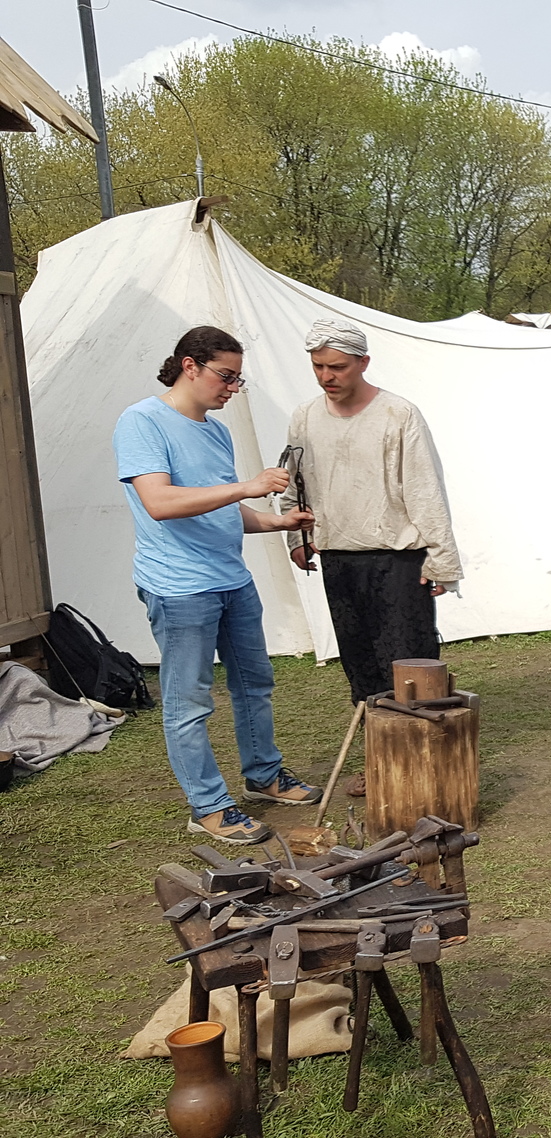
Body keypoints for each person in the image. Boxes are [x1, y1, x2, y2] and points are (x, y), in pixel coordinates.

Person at [113, 326, 321, 844]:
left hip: (232, 579)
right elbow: (160, 503)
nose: (232, 388)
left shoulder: (213, 429)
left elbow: (220, 504)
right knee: (189, 701)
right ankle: (207, 805)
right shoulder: (141, 422)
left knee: (256, 684)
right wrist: (248, 485)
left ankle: (263, 775)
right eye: (225, 377)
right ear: (190, 366)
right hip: (180, 588)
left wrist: (276, 522)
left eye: (238, 379)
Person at [285, 317, 463, 797]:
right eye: (319, 366)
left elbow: (425, 491)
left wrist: (440, 560)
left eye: (338, 366)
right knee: (360, 665)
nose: (328, 376)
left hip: (397, 561)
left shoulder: (397, 414)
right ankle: (382, 762)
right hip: (339, 559)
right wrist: (296, 535)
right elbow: (296, 481)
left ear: (363, 362)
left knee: (409, 662)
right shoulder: (304, 417)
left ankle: (424, 763)